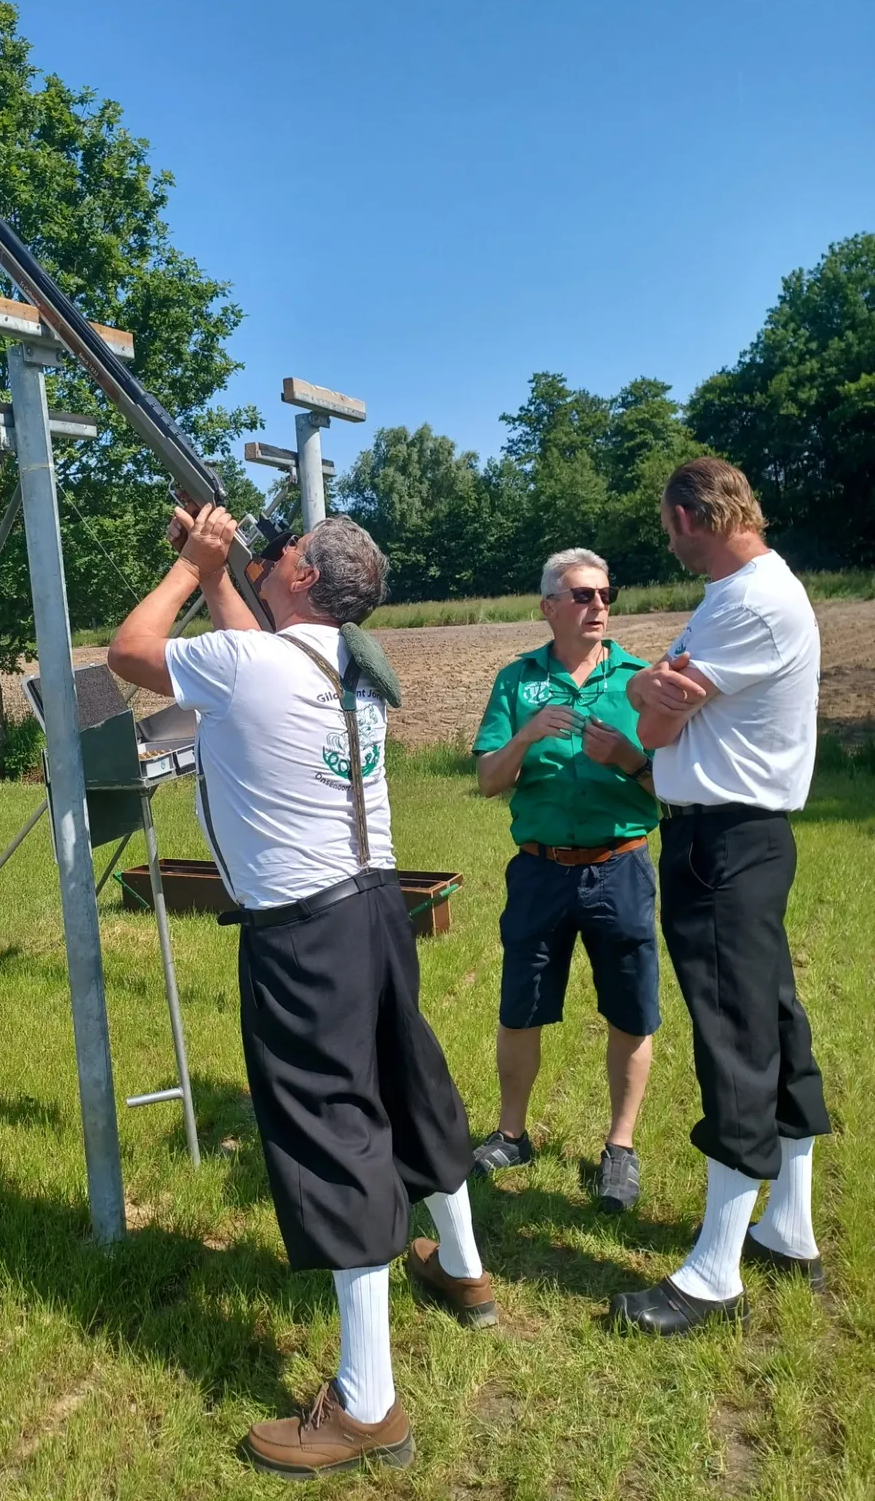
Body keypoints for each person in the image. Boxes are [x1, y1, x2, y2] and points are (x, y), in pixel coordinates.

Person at [108, 506, 492, 1480]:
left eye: (278, 554)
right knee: (406, 1087)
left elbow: (130, 651)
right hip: (371, 908)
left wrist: (193, 566)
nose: (267, 560)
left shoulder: (260, 665)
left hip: (300, 930)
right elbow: (248, 646)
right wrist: (212, 571)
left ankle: (365, 1402)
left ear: (305, 581)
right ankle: (461, 1264)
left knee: (331, 1135)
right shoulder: (337, 665)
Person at [611, 457, 829, 1335]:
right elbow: (654, 695)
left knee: (734, 1034)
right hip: (747, 838)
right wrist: (641, 683)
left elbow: (657, 722)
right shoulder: (759, 592)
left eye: (672, 529)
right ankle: (788, 1226)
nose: (672, 546)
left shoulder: (744, 600)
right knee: (771, 1019)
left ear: (697, 515)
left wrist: (644, 693)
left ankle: (714, 1271)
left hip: (720, 842)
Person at [471, 548, 660, 1212]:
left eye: (606, 594)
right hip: (541, 870)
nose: (599, 606)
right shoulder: (517, 680)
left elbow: (672, 787)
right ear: (549, 606)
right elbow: (488, 781)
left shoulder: (642, 680)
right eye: (583, 595)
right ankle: (512, 1134)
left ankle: (620, 1147)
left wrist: (629, 755)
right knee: (521, 1004)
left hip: (622, 866)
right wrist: (522, 738)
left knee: (631, 1009)